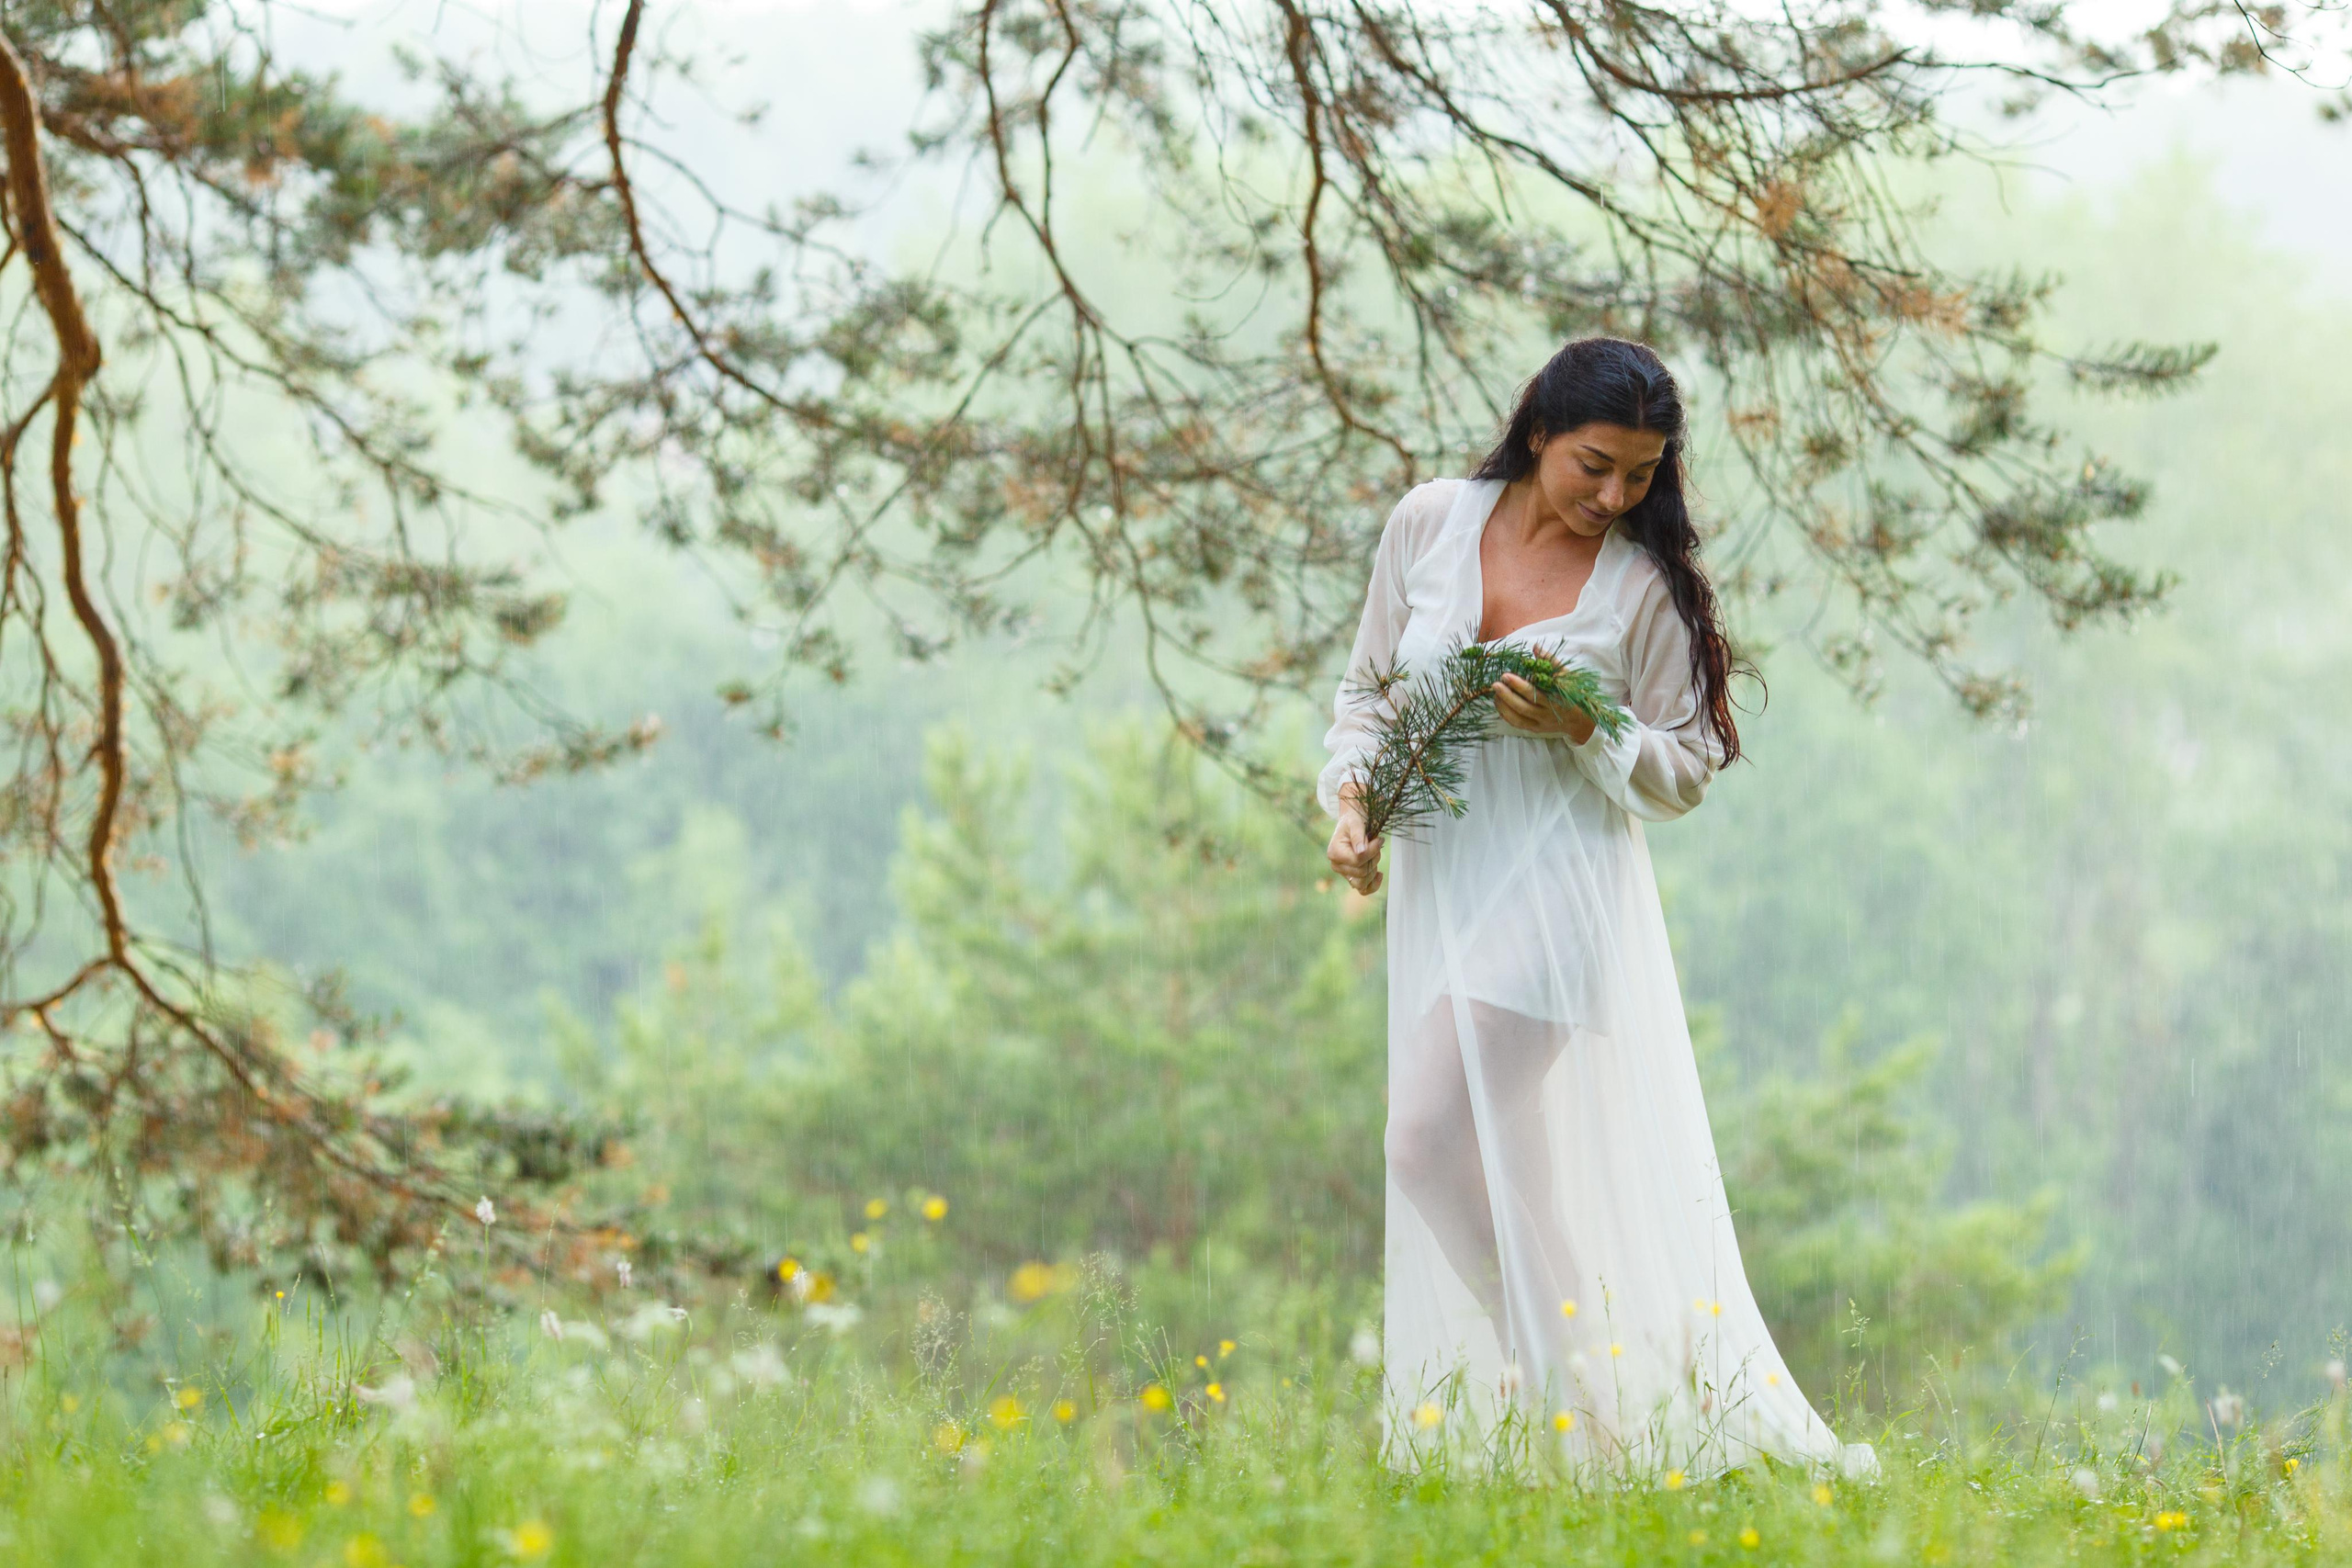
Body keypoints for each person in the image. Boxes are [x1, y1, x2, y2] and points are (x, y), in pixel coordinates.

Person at [1320, 336, 1876, 1483]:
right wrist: (1350, 806)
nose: (1614, 496)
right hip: (1443, 883)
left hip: (1559, 890)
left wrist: (1587, 730)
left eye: (1639, 474)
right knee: (1511, 1174)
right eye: (1593, 466)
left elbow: (1684, 768)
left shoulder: (1639, 588)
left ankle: (1554, 1374)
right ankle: (1597, 1429)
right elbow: (1367, 693)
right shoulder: (1428, 521)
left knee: (1423, 1135)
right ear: (1536, 434)